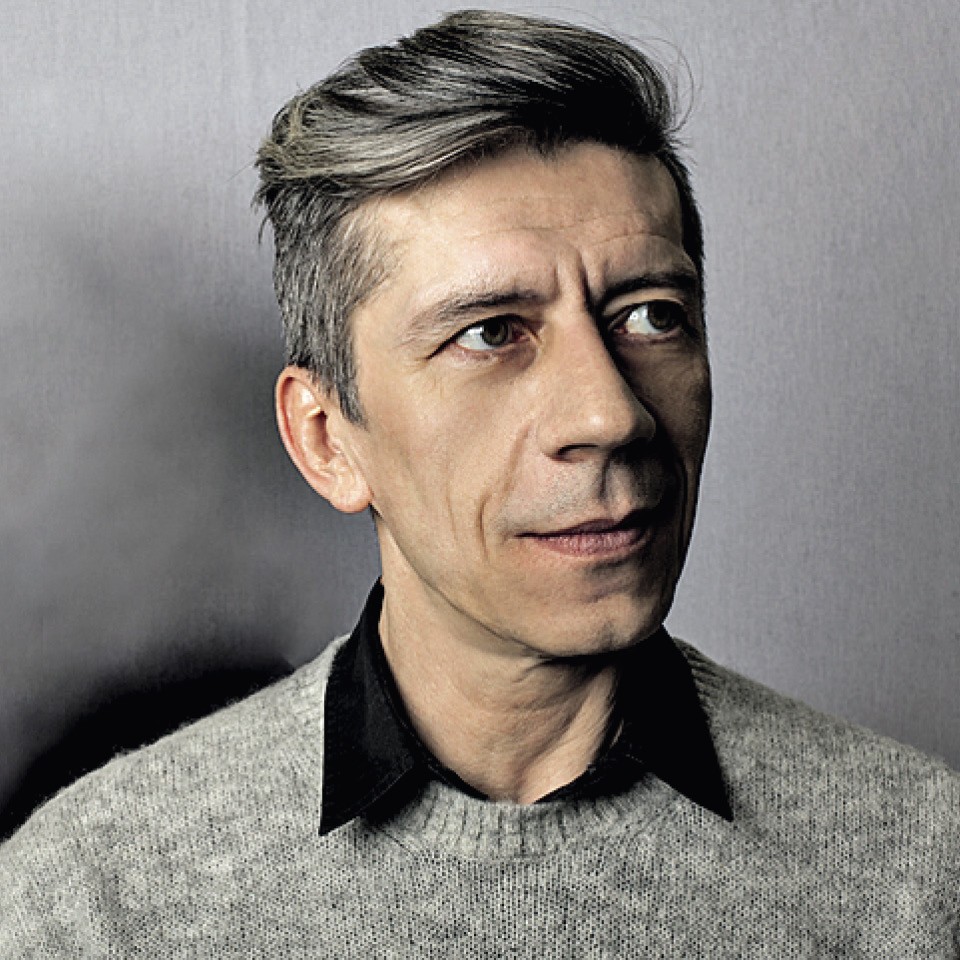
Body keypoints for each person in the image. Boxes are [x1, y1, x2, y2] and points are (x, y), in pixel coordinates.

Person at [2, 9, 957, 956]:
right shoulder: (94, 905)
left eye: (651, 316)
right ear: (328, 440)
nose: (611, 416)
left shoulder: (919, 874)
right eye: (491, 333)